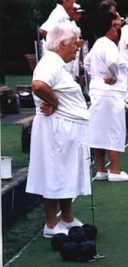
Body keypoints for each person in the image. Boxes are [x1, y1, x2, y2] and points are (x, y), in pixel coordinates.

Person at [26, 23, 91, 238]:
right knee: (55, 172)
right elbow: (38, 85)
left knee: (66, 172)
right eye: (74, 44)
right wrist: (54, 102)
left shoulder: (58, 63)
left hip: (67, 130)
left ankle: (67, 217)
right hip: (56, 130)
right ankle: (51, 224)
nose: (77, 48)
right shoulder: (50, 62)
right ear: (62, 44)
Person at [84, 12, 128, 182]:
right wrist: (112, 75)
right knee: (114, 131)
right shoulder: (109, 45)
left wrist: (97, 77)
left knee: (98, 130)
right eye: (114, 26)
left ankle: (101, 170)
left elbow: (87, 63)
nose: (117, 30)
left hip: (98, 92)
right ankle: (114, 170)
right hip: (111, 94)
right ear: (106, 27)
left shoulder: (97, 44)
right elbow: (112, 62)